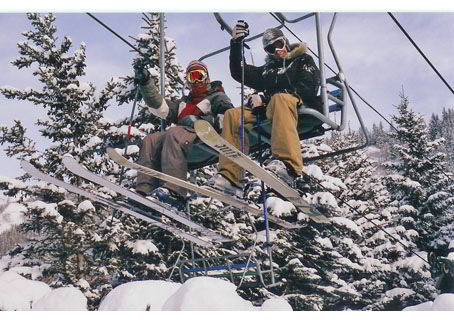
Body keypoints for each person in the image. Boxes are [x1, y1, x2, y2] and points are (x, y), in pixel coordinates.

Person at [208, 20, 321, 195]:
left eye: (279, 45)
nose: (277, 51)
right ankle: (231, 176)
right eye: (271, 49)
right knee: (233, 115)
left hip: (298, 104)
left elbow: (309, 86)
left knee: (280, 99)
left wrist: (265, 98)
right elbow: (240, 72)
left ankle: (288, 165)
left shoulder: (302, 60)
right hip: (273, 109)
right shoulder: (267, 71)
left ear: (286, 42)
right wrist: (237, 44)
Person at [134, 60, 234, 207]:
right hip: (182, 139)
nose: (196, 81)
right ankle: (145, 189)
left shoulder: (217, 97)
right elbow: (161, 108)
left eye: (199, 75)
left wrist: (199, 120)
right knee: (150, 140)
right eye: (192, 77)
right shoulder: (183, 103)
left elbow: (227, 119)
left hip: (205, 138)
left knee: (174, 132)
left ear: (207, 78)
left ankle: (175, 191)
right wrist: (145, 83)